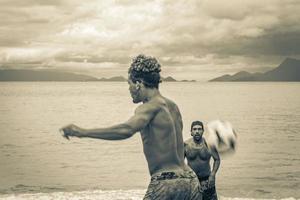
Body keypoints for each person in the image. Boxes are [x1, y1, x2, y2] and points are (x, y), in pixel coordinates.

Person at [61, 54, 202, 200]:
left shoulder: (149, 107)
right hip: (191, 180)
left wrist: (81, 132)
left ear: (138, 83)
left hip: (166, 182)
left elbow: (126, 130)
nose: (128, 89)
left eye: (129, 83)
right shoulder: (173, 106)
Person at [184, 121, 220, 200]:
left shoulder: (209, 144)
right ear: (191, 132)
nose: (197, 131)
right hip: (191, 180)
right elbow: (179, 163)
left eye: (199, 129)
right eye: (194, 129)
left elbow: (217, 159)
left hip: (207, 180)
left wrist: (213, 174)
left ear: (203, 131)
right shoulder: (185, 145)